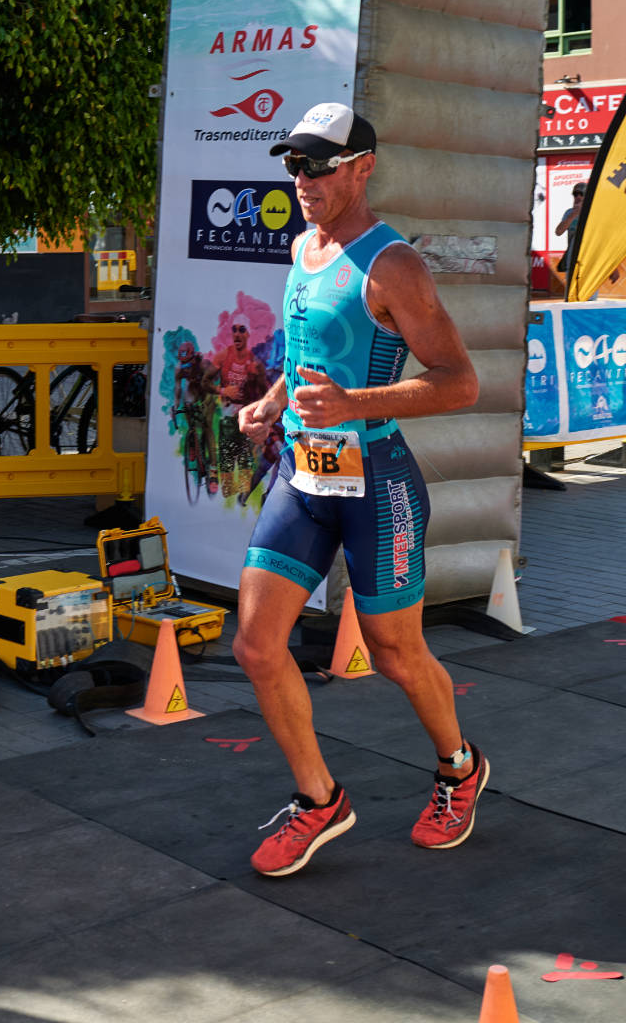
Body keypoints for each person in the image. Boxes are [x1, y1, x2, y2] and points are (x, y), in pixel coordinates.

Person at [234, 103, 482, 877]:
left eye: (319, 165)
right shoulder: (305, 247)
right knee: (255, 644)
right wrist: (273, 404)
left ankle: (459, 769)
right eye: (293, 165)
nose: (301, 180)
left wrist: (355, 405)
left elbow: (460, 383)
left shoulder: (393, 265)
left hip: (379, 485)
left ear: (362, 167)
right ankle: (319, 802)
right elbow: (310, 355)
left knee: (396, 655)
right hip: (306, 480)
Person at [550, 182, 584, 299]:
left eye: (581, 194)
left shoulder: (594, 213)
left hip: (589, 262)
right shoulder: (569, 213)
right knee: (571, 296)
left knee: (589, 300)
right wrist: (574, 214)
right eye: (575, 194)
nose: (578, 197)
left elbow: (601, 238)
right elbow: (558, 231)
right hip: (572, 261)